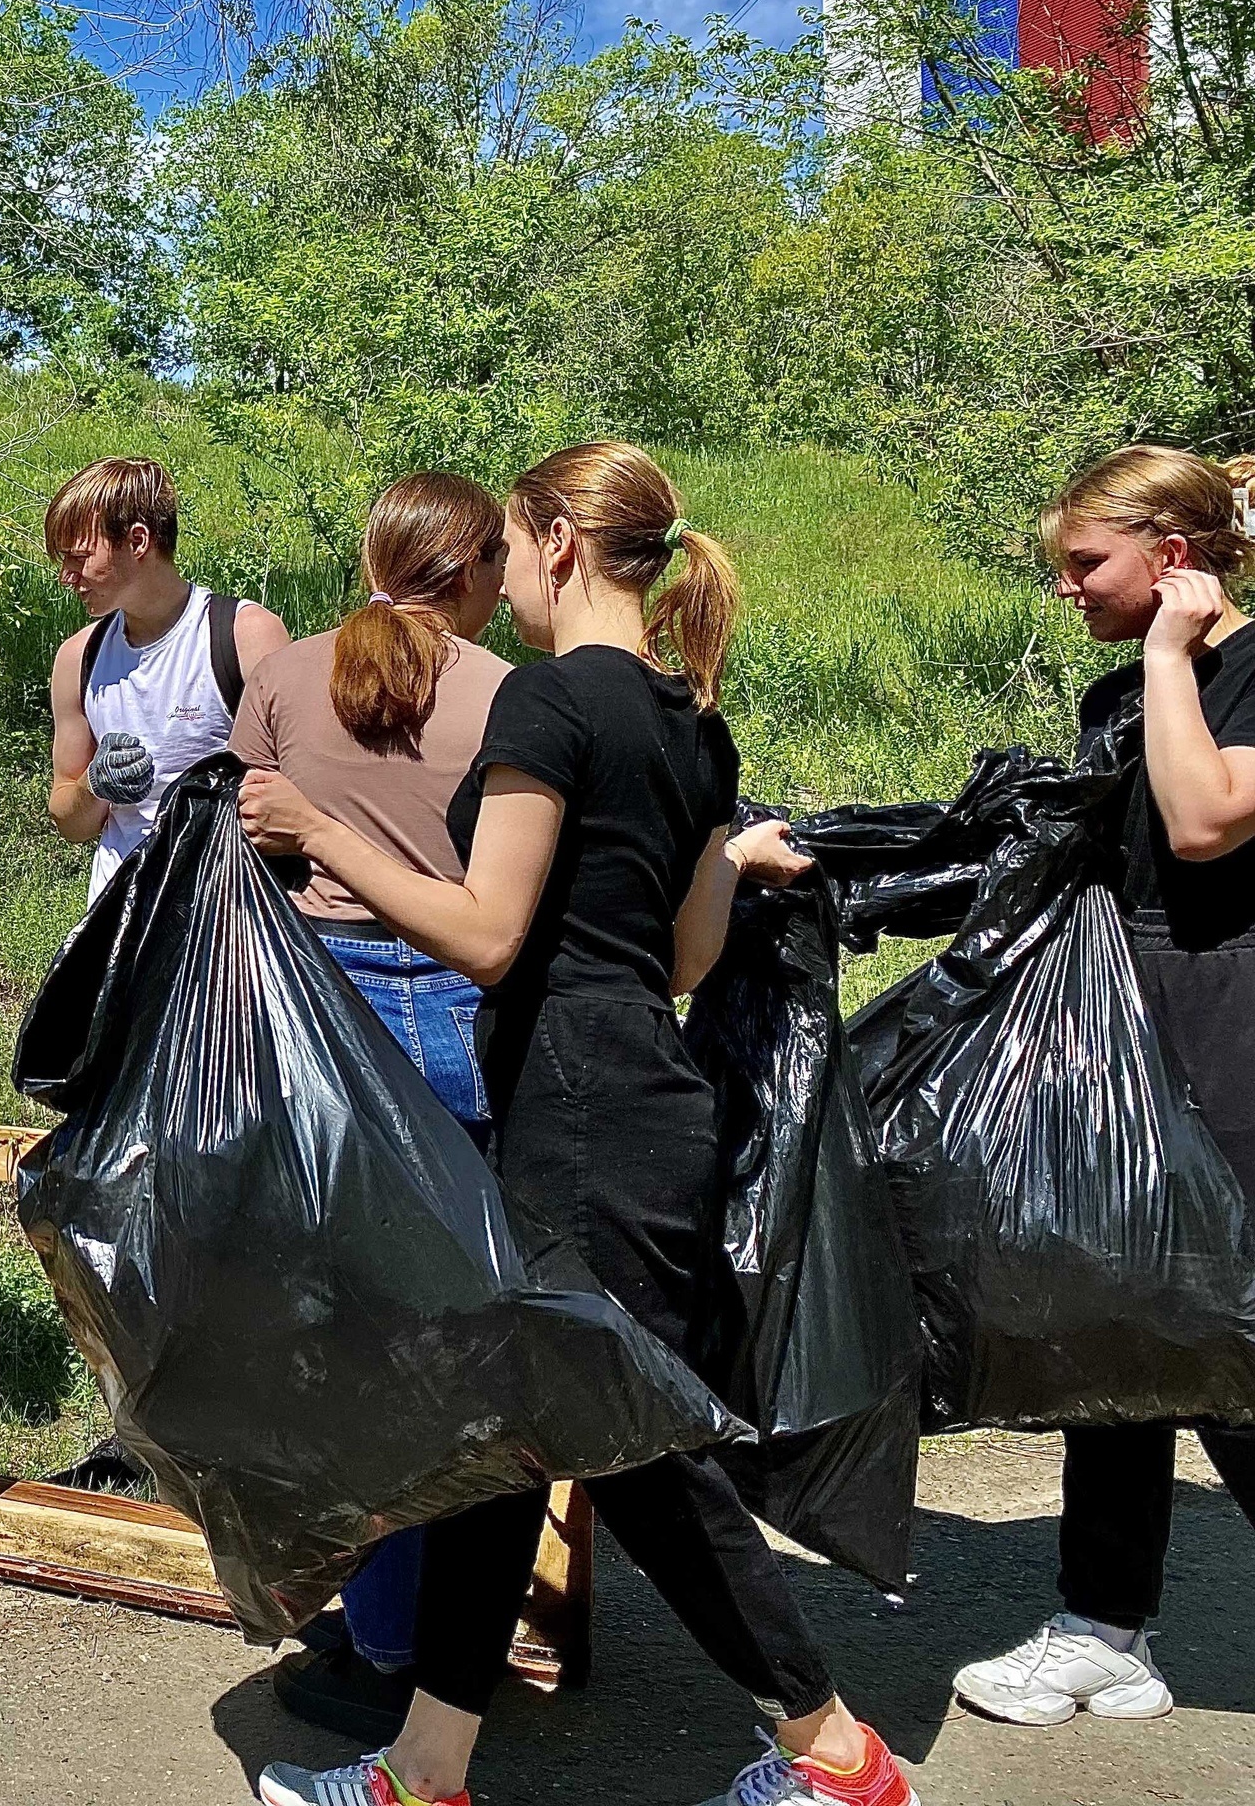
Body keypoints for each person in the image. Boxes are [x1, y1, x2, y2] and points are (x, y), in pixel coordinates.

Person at [240, 442, 918, 1806]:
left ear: (552, 541)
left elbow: (488, 935)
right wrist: (725, 856)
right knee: (527, 1426)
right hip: (641, 1097)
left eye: (514, 540)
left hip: (574, 1103)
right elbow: (674, 961)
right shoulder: (692, 720)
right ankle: (424, 1775)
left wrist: (321, 828)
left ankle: (835, 1753)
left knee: (637, 1453)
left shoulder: (549, 704)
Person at [949, 445, 1255, 1728]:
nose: (1065, 588)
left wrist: (1172, 658)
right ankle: (1102, 1626)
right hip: (1124, 1025)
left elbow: (1204, 820)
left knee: (1231, 1328)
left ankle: (1103, 1623)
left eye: (1085, 564)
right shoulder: (1121, 687)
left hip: (1233, 1023)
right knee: (1110, 1324)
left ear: (1172, 560)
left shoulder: (1224, 674)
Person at [228, 472, 511, 1738]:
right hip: (457, 1014)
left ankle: (370, 1619)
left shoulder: (287, 674)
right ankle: (436, 1630)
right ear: (475, 570)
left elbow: (239, 832)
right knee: (449, 1346)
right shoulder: (508, 695)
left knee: (343, 1340)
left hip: (319, 1017)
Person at [47, 457, 288, 895]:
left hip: (226, 910)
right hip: (120, 915)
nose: (67, 577)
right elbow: (68, 818)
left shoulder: (244, 636)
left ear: (138, 541)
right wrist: (94, 785)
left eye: (80, 557)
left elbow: (297, 793)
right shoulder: (78, 658)